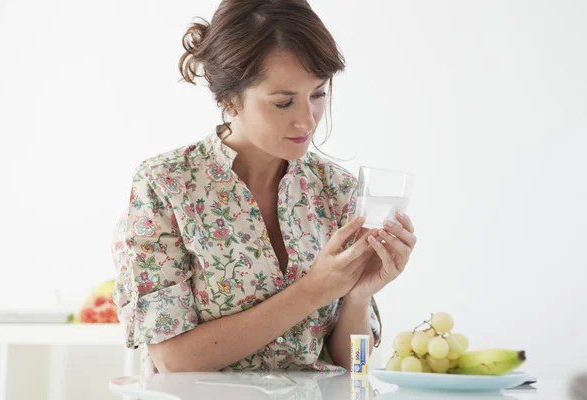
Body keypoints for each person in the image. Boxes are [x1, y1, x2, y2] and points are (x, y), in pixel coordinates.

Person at [111, 0, 417, 376]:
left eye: (318, 94)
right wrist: (314, 290)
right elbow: (173, 360)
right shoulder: (166, 185)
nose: (307, 119)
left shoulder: (337, 191)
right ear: (229, 100)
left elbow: (355, 368)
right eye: (283, 102)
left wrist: (358, 295)